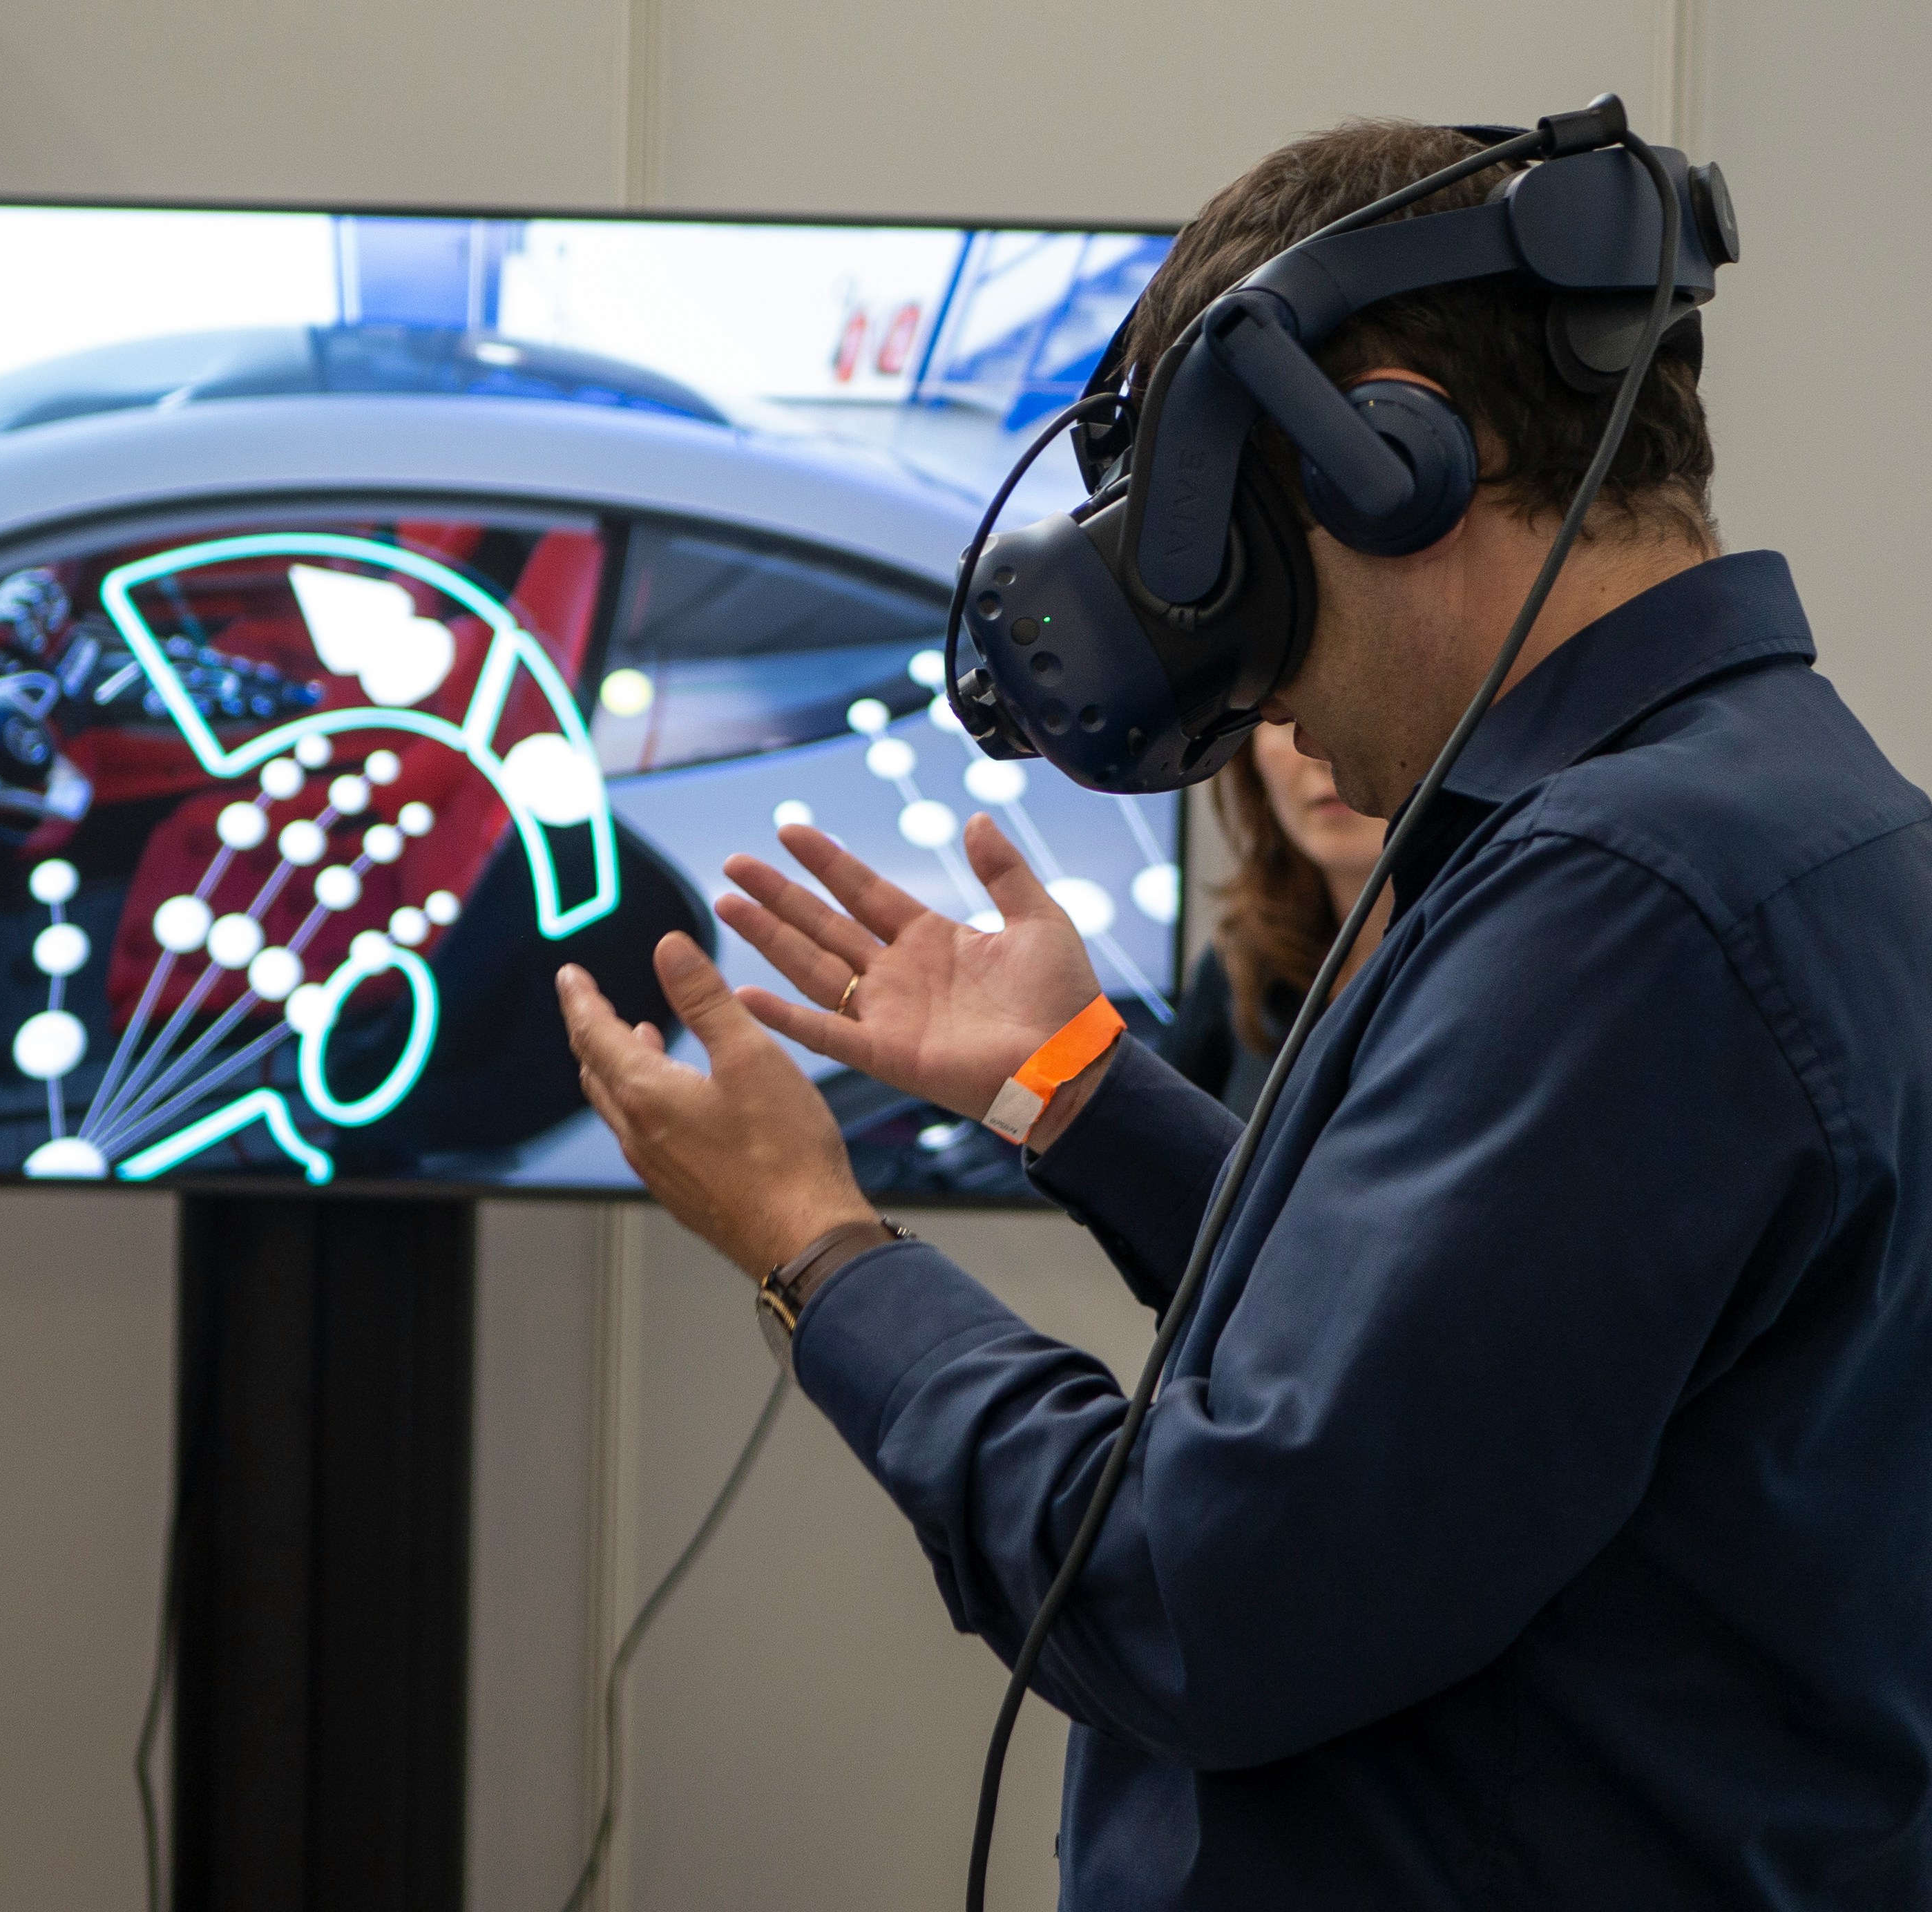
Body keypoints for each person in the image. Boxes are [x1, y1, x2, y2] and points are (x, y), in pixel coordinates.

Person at [557, 117, 1932, 1908]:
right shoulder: (1783, 824)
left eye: (1235, 557)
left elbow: (1191, 1593)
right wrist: (1079, 1091)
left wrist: (817, 1247)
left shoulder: (1627, 902)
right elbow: (1452, 1378)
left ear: (1388, 457)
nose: (1255, 692)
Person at [1163, 723, 1388, 1116]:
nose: (1324, 753)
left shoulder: (1489, 964)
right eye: (1287, 719)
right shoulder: (1243, 962)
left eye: (1368, 708)